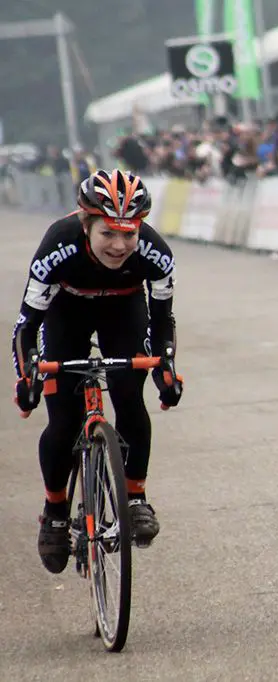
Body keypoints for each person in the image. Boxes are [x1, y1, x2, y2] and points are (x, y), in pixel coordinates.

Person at [12, 169, 183, 574]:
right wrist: (26, 377)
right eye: (108, 233)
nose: (120, 245)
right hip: (64, 313)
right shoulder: (58, 243)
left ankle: (136, 497)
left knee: (128, 395)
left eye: (130, 234)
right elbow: (26, 325)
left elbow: (163, 320)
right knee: (63, 422)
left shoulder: (155, 252)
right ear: (86, 223)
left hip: (123, 310)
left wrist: (167, 370)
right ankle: (55, 511)